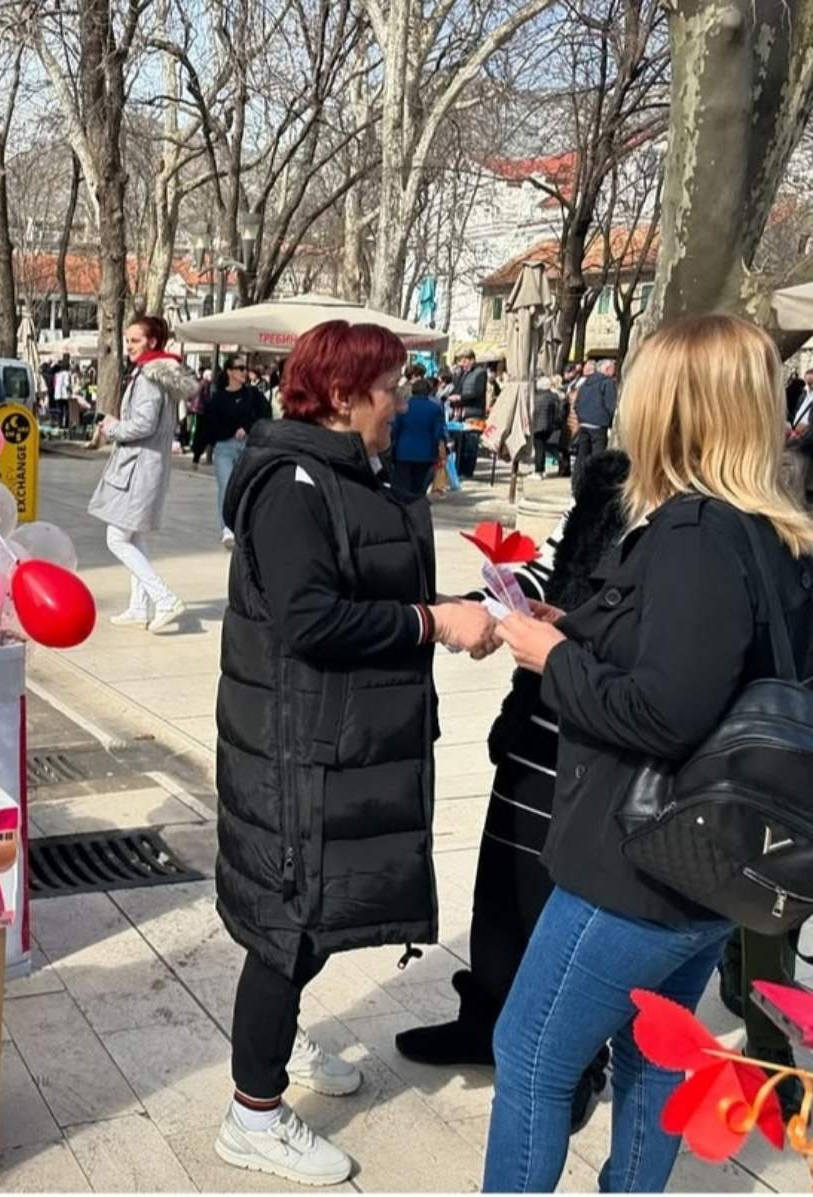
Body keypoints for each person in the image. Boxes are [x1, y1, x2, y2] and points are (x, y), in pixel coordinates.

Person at [485, 313, 813, 1192]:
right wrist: (573, 628)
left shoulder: (700, 534)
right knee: (655, 1057)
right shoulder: (771, 530)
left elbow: (664, 712)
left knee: (530, 1057)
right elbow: (695, 665)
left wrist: (552, 660)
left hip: (638, 866)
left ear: (674, 411)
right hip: (712, 862)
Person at [212, 319, 499, 1185]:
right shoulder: (293, 483)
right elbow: (309, 620)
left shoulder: (339, 471)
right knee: (288, 925)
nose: (403, 404)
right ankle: (251, 1112)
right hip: (301, 749)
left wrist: (445, 605)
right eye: (390, 389)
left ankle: (278, 1042)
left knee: (311, 915)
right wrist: (428, 621)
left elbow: (358, 585)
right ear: (342, 396)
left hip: (333, 742)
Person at [394, 451, 631, 1130]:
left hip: (606, 735)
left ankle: (576, 1061)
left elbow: (658, 642)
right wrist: (489, 606)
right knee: (501, 884)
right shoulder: (604, 488)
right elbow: (545, 568)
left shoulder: (697, 519)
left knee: (567, 905)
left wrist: (568, 636)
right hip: (539, 709)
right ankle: (484, 1022)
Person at [89, 315, 196, 634]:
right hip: (147, 465)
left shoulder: (150, 376)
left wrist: (113, 427)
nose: (129, 346)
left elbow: (143, 424)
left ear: (152, 342)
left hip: (138, 467)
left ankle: (164, 598)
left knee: (117, 538)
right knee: (134, 534)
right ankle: (140, 606)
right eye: (128, 340)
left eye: (134, 340)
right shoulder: (158, 373)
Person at [193, 356, 269, 547]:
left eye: (246, 368)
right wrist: (197, 453)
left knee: (246, 487)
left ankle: (243, 527)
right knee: (226, 487)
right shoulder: (217, 398)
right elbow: (207, 426)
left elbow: (266, 415)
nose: (245, 372)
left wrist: (248, 427)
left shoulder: (252, 395)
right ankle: (227, 529)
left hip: (248, 448)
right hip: (224, 448)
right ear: (229, 372)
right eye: (240, 368)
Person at [389, 374, 447, 497]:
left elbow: (394, 430)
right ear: (429, 391)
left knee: (403, 489)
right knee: (420, 489)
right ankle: (417, 510)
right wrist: (442, 450)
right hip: (426, 454)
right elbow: (438, 433)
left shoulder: (403, 407)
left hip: (403, 452)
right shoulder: (435, 409)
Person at [569, 358, 617, 495]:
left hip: (584, 424)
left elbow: (577, 404)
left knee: (581, 456)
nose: (614, 371)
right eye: (613, 368)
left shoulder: (585, 383)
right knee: (598, 456)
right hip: (598, 425)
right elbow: (610, 405)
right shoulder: (607, 383)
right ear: (607, 369)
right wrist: (610, 419)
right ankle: (596, 486)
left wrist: (582, 417)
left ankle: (576, 484)